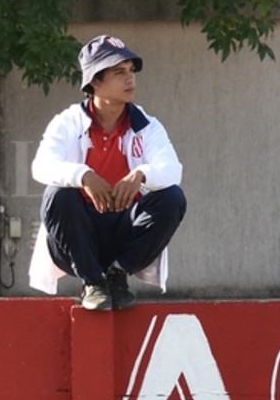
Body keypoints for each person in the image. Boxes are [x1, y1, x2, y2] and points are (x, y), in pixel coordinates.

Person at [28, 33, 186, 310]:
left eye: (131, 71)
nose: (130, 79)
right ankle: (93, 282)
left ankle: (117, 274)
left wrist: (142, 175)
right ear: (95, 81)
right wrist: (83, 176)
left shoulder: (147, 126)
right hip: (77, 236)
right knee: (57, 195)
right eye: (119, 72)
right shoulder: (66, 122)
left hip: (125, 232)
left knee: (173, 197)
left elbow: (172, 170)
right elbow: (41, 166)